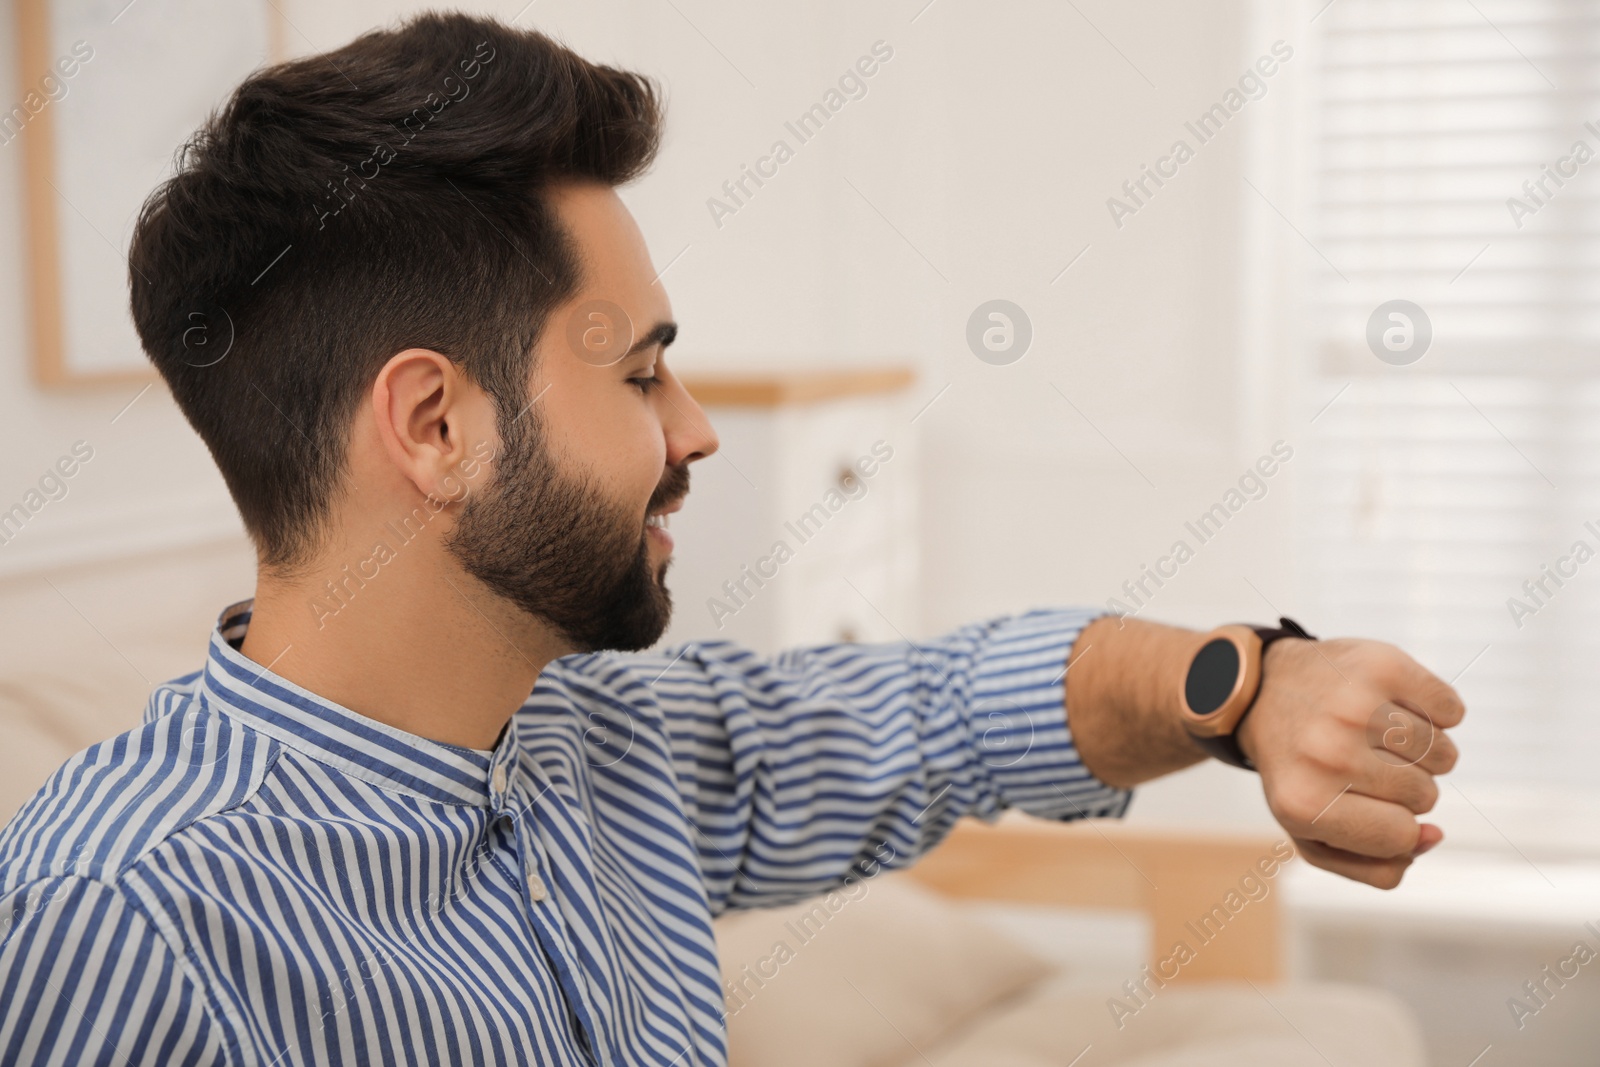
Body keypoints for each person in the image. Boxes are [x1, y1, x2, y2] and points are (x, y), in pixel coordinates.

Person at [0, 12, 1463, 1065]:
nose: (695, 431)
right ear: (436, 430)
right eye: (640, 373)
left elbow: (945, 712)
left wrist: (1259, 684)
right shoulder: (125, 925)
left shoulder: (600, 738)